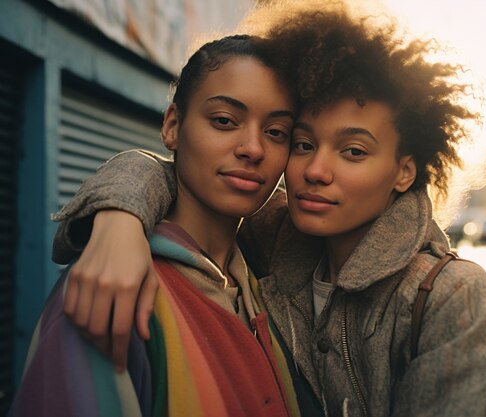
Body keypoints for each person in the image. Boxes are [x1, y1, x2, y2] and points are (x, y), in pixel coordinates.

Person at [50, 1, 486, 416]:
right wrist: (120, 217)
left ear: (405, 171)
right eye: (301, 142)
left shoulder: (451, 298)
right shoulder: (273, 241)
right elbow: (183, 174)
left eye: (354, 151)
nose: (316, 170)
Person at [9, 33, 326, 417]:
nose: (253, 148)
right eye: (224, 120)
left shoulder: (271, 286)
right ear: (173, 126)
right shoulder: (112, 288)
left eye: (276, 132)